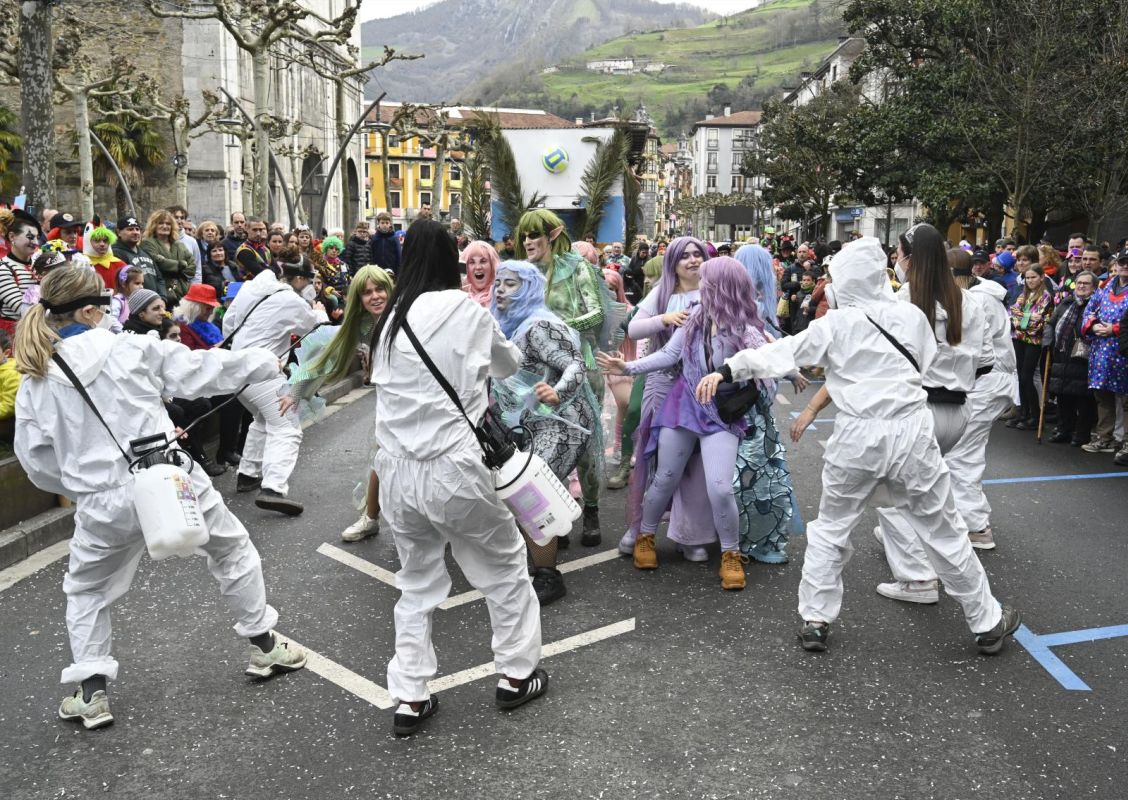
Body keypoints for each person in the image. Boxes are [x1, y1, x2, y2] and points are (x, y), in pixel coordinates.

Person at [696, 236, 1020, 656]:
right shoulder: (910, 316)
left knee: (832, 528)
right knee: (943, 530)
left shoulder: (836, 323)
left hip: (856, 436)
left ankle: (815, 619)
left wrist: (727, 369)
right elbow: (924, 364)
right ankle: (986, 620)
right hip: (910, 433)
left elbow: (782, 352)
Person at [13, 267, 306, 731]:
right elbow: (202, 369)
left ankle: (90, 693)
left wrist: (83, 487)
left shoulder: (36, 379)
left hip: (100, 502)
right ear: (90, 310)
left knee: (88, 590)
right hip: (168, 476)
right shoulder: (130, 347)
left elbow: (36, 463)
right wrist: (265, 363)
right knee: (230, 549)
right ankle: (266, 647)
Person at [368, 219, 546, 736]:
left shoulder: (389, 321)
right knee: (504, 565)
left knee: (416, 580)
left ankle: (410, 696)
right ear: (452, 259)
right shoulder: (465, 309)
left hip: (397, 470)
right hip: (453, 464)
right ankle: (516, 675)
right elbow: (508, 366)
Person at [600, 257, 775, 590]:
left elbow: (768, 360)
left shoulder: (746, 328)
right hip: (682, 407)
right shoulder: (695, 317)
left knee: (720, 487)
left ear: (723, 286)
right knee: (665, 476)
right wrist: (628, 368)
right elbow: (668, 355)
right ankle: (646, 536)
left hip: (721, 414)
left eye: (707, 280)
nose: (701, 284)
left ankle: (730, 554)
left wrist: (790, 373)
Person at [875, 223, 994, 603]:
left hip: (917, 411)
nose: (895, 259)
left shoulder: (903, 301)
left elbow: (883, 363)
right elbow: (986, 364)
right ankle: (937, 565)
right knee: (927, 490)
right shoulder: (968, 300)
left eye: (897, 253)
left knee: (891, 494)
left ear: (911, 257)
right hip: (957, 413)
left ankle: (917, 579)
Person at [491, 260, 597, 605]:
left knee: (530, 491)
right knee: (538, 488)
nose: (500, 289)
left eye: (510, 284)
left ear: (530, 289)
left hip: (563, 421)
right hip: (531, 423)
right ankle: (553, 537)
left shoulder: (539, 325)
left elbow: (575, 364)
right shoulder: (509, 325)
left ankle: (548, 575)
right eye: (499, 282)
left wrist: (557, 393)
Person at [516, 208, 619, 547]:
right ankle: (556, 514)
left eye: (535, 234)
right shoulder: (524, 272)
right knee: (543, 445)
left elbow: (596, 314)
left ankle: (590, 510)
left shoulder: (577, 267)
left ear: (554, 234)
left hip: (581, 369)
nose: (528, 241)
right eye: (524, 236)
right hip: (536, 375)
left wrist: (555, 330)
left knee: (585, 444)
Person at [616, 237, 706, 559]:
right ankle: (640, 529)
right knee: (655, 459)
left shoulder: (713, 289)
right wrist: (664, 319)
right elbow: (634, 329)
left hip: (702, 391)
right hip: (663, 384)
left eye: (698, 254)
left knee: (697, 464)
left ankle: (689, 534)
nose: (693, 261)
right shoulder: (663, 293)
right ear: (673, 262)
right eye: (685, 256)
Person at [291, 265, 394, 542]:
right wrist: (294, 391)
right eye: (367, 292)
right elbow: (321, 356)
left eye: (379, 289)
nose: (375, 296)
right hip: (390, 403)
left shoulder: (406, 318)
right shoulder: (360, 328)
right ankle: (371, 518)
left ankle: (437, 525)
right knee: (381, 456)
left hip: (422, 402)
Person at [222, 248, 327, 515]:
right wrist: (320, 312)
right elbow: (315, 330)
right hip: (262, 371)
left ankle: (248, 473)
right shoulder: (291, 300)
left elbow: (229, 323)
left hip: (238, 368)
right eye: (310, 282)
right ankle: (273, 488)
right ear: (300, 280)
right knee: (288, 426)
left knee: (263, 419)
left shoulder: (250, 288)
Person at [943, 249, 1018, 551]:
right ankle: (969, 521)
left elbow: (973, 351)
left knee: (960, 456)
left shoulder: (976, 300)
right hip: (989, 382)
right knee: (963, 454)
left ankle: (975, 526)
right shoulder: (976, 295)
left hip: (987, 382)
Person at [1081, 250, 1128, 456]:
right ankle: (1105, 437)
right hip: (1101, 351)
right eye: (1123, 262)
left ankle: (1126, 442)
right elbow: (1090, 310)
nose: (1125, 266)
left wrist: (1114, 329)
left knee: (1126, 399)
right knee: (1103, 396)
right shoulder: (1106, 286)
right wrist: (1093, 326)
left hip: (1124, 350)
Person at [1045, 270, 1098, 447]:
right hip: (1061, 353)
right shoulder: (1066, 303)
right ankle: (1064, 429)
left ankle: (1081, 434)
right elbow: (1052, 323)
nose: (1081, 286)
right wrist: (1048, 340)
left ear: (1094, 287)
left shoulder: (1096, 306)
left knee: (1083, 398)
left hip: (1083, 355)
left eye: (1086, 283)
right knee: (1062, 395)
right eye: (1079, 282)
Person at [1007, 263, 1052, 430]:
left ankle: (1034, 413)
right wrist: (1025, 318)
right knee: (1020, 375)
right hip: (1019, 338)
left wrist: (1022, 319)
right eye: (1027, 278)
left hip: (1034, 341)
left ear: (1041, 277)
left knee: (1027, 376)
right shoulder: (1023, 294)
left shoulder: (1046, 296)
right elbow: (1013, 314)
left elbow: (1038, 322)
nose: (1030, 280)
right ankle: (1024, 412)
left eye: (1033, 277)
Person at [140, 210, 194, 305]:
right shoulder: (148, 243)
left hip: (183, 293)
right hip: (161, 294)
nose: (165, 226)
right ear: (154, 225)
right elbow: (158, 263)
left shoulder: (179, 245)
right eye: (161, 223)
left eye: (168, 224)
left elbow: (192, 267)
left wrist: (169, 264)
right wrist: (181, 264)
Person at [1, 209, 41, 337]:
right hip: (16, 335)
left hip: (38, 330)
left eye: (37, 238)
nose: (36, 242)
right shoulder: (3, 268)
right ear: (12, 237)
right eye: (30, 237)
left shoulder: (39, 264)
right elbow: (22, 309)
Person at [112, 215, 163, 300]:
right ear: (119, 232)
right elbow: (122, 282)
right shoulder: (116, 253)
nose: (135, 232)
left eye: (137, 229)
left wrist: (162, 298)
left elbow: (159, 278)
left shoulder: (145, 253)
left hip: (155, 302)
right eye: (130, 229)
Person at [461, 240, 499, 308]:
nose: (478, 267)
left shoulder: (502, 296)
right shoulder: (459, 298)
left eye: (483, 261)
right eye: (472, 262)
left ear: (492, 265)